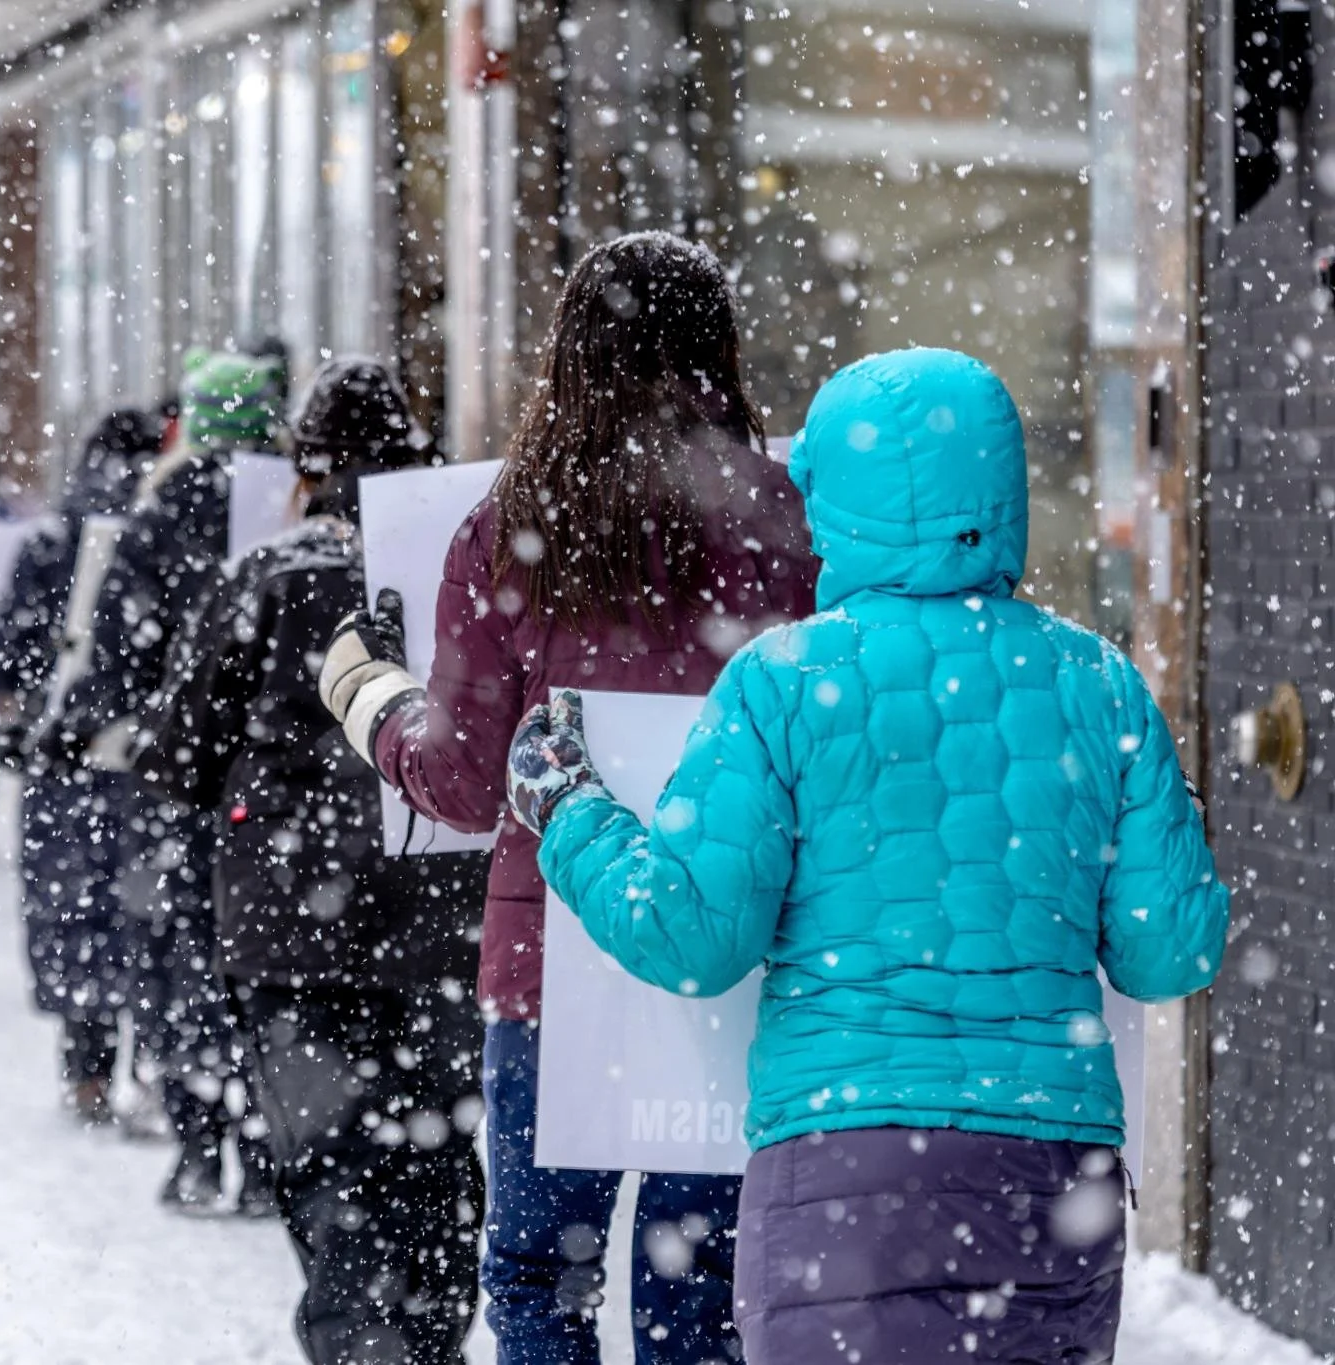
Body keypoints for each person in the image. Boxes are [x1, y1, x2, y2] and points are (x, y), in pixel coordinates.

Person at [507, 346, 1233, 1363]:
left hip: (841, 1174)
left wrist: (570, 808)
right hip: (1050, 1177)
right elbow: (1168, 953)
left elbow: (691, 935)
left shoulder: (782, 682)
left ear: (836, 503)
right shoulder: (1098, 685)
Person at [318, 232, 816, 1363]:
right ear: (718, 353)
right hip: (731, 950)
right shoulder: (792, 523)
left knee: (542, 1280)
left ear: (571, 359)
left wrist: (369, 699)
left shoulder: (511, 530)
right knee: (700, 1290)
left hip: (554, 962)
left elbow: (456, 780)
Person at [138, 356, 489, 1363]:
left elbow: (180, 753)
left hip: (290, 929)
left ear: (305, 466)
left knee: (331, 1174)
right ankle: (424, 1340)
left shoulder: (269, 573)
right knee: (435, 1162)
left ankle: (362, 1345)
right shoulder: (459, 564)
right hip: (439, 919)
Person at [54, 349, 287, 1212]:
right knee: (258, 965)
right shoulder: (290, 512)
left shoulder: (157, 517)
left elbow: (114, 647)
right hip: (270, 786)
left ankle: (198, 1149)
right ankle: (265, 1156)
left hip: (172, 777)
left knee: (178, 959)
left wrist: (73, 725)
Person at [0, 408, 157, 1120]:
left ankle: (85, 1066)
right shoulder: (162, 534)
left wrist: (22, 714)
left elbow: (6, 646)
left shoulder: (51, 539)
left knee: (71, 902)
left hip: (61, 754)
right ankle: (153, 1065)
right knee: (144, 908)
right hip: (147, 755)